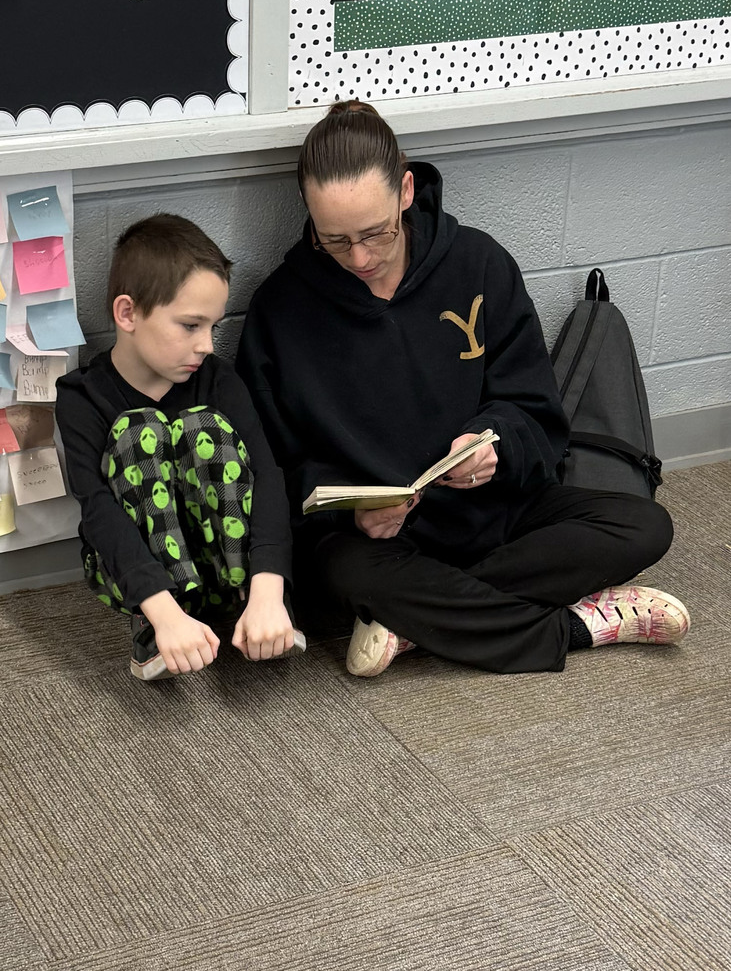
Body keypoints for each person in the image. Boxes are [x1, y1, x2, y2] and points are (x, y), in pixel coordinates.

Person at [236, 101, 689, 678]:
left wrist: (493, 444)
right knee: (346, 575)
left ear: (405, 190)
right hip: (377, 545)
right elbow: (270, 468)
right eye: (335, 240)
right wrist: (353, 512)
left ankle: (409, 622)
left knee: (645, 525)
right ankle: (576, 627)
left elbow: (536, 411)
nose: (360, 257)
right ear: (308, 211)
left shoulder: (478, 264)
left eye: (376, 233)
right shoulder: (281, 309)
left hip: (491, 513)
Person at [56, 214, 302, 681]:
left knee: (200, 427)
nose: (207, 345)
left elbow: (267, 475)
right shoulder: (81, 398)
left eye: (212, 326)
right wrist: (164, 614)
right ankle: (156, 625)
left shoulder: (218, 379)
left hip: (228, 564)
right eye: (190, 325)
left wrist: (270, 589)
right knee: (138, 431)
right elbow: (98, 511)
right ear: (127, 314)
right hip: (141, 577)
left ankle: (262, 607)